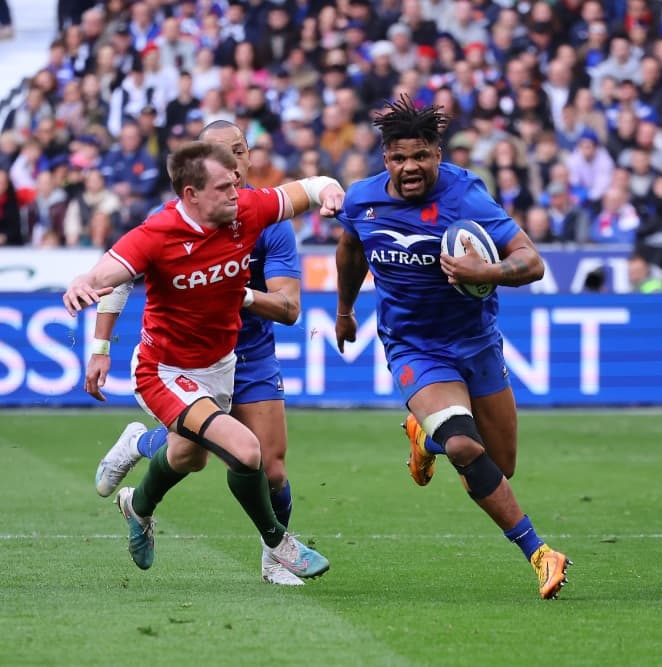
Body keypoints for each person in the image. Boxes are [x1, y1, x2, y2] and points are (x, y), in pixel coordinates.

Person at [62, 141, 344, 581]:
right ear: (191, 195)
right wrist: (85, 288)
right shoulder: (157, 233)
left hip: (221, 366)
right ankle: (278, 543)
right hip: (164, 372)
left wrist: (330, 192)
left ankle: (137, 506)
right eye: (222, 187)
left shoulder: (249, 209)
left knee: (189, 458)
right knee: (247, 452)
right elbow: (108, 274)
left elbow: (311, 185)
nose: (235, 192)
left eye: (236, 181)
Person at [333, 96, 571, 600]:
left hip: (476, 342)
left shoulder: (467, 197)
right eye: (398, 158)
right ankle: (539, 552)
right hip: (414, 346)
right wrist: (345, 311)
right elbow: (352, 248)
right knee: (465, 446)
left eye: (420, 155)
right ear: (385, 160)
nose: (409, 167)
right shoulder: (362, 201)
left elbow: (532, 262)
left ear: (437, 153)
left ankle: (424, 435)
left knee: (497, 465)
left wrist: (484, 272)